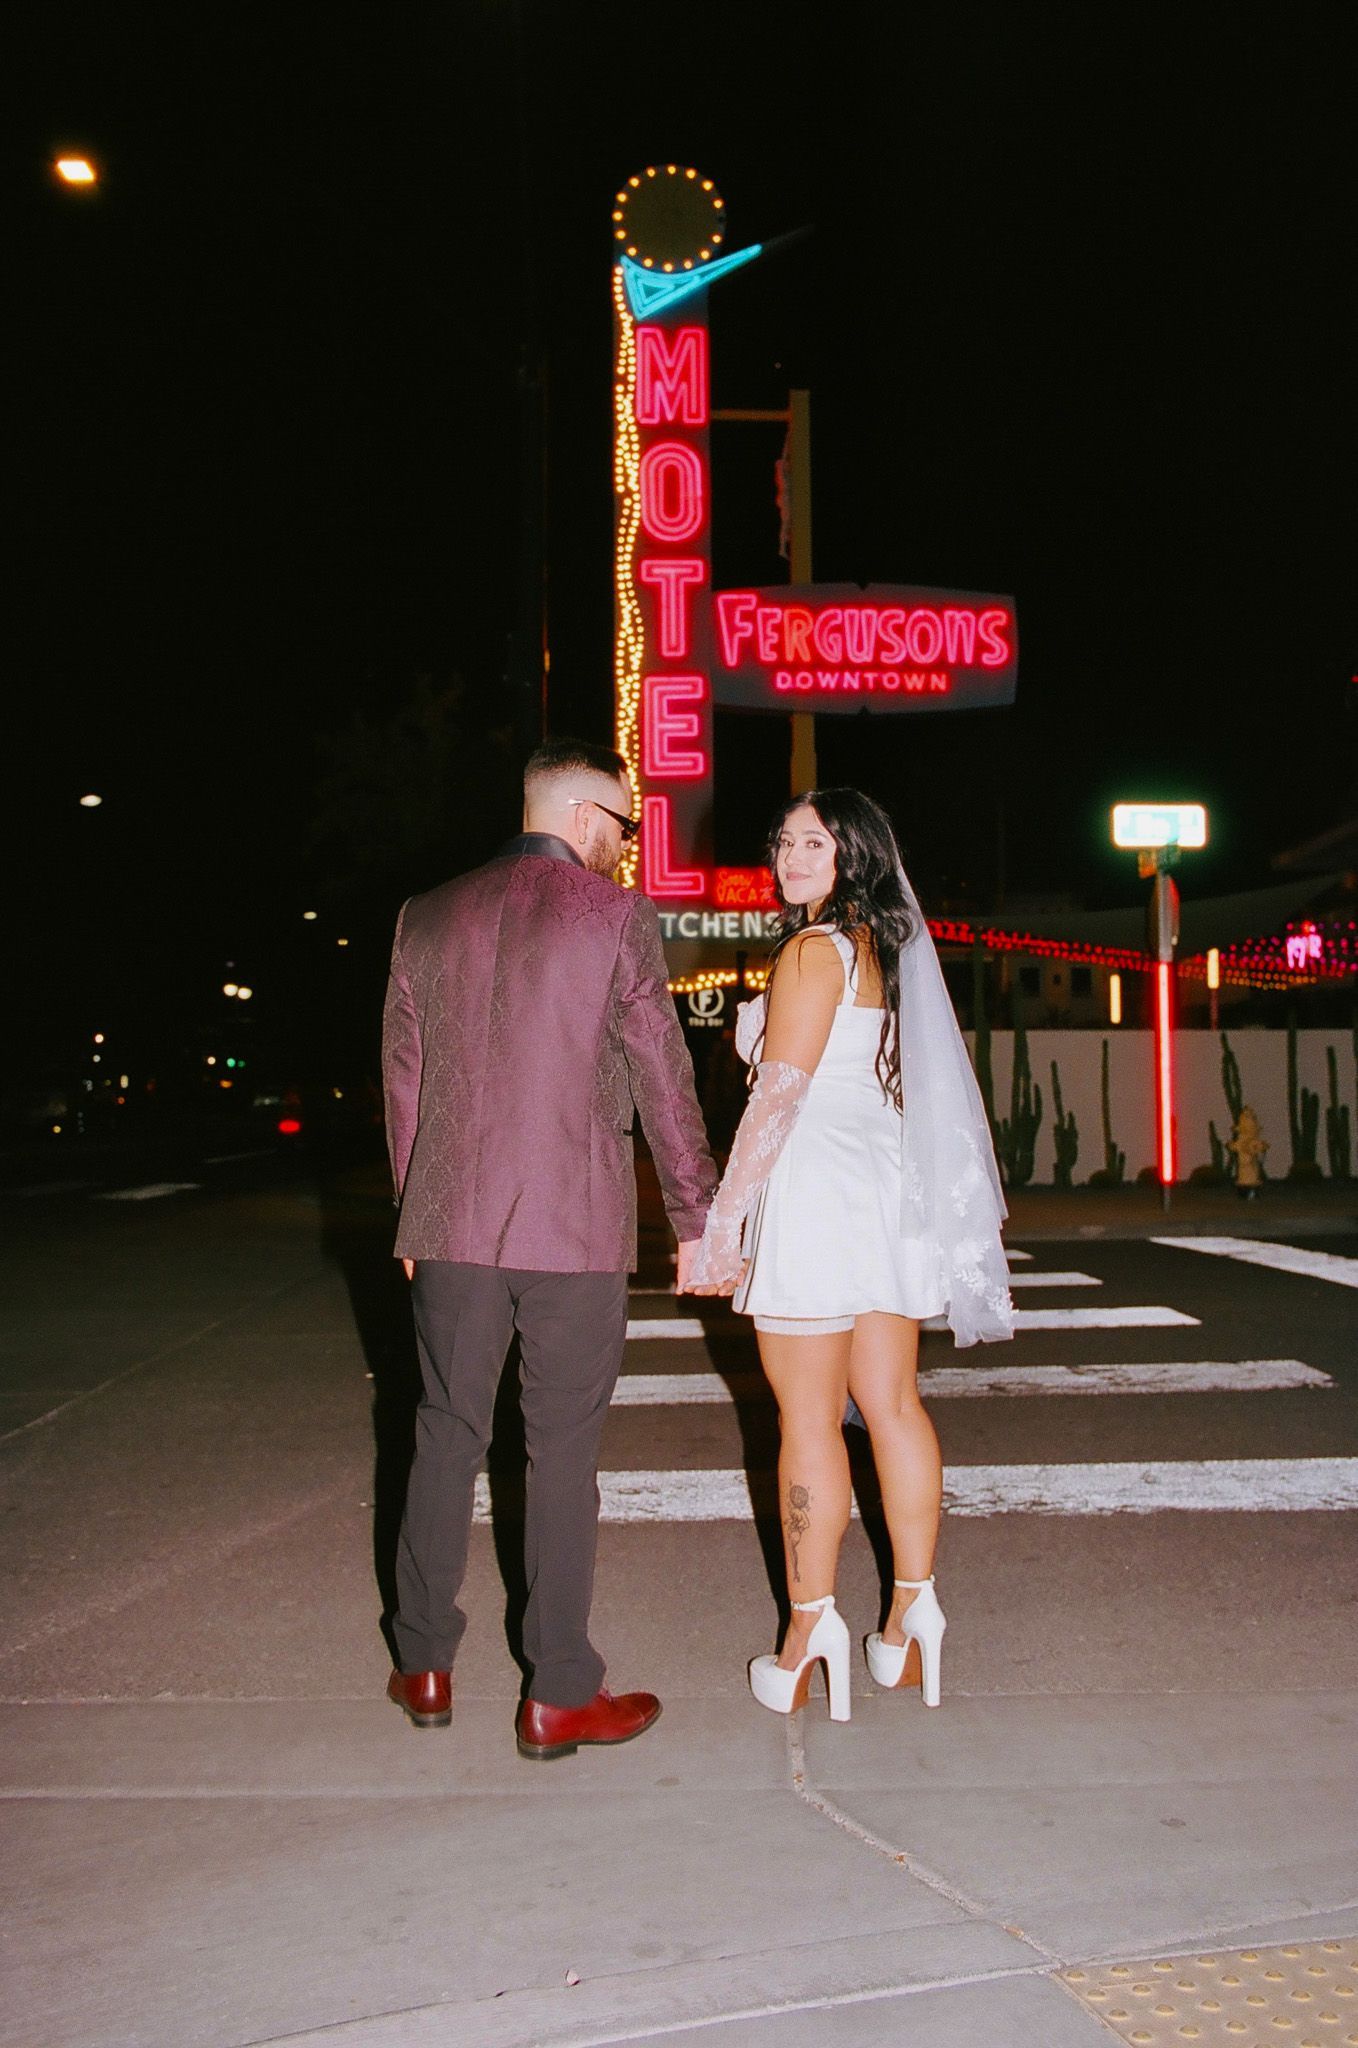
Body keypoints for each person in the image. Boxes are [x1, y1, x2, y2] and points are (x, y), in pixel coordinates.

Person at [382, 737, 717, 1759]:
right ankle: (559, 1691)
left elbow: (403, 1076)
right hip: (571, 1224)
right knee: (561, 1455)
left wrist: (411, 1210)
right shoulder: (612, 916)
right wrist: (696, 1215)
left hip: (449, 1223)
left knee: (444, 1432)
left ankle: (423, 1661)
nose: (625, 844)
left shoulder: (426, 913)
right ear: (582, 816)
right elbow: (662, 1075)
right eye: (621, 824)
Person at [682, 789, 1011, 1721]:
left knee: (808, 1419)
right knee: (894, 1403)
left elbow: (778, 1096)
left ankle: (806, 1633)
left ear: (854, 855)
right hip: (886, 1181)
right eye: (784, 841)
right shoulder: (888, 953)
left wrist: (722, 1225)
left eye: (813, 843)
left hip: (817, 1186)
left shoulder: (809, 951)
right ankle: (911, 1616)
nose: (790, 857)